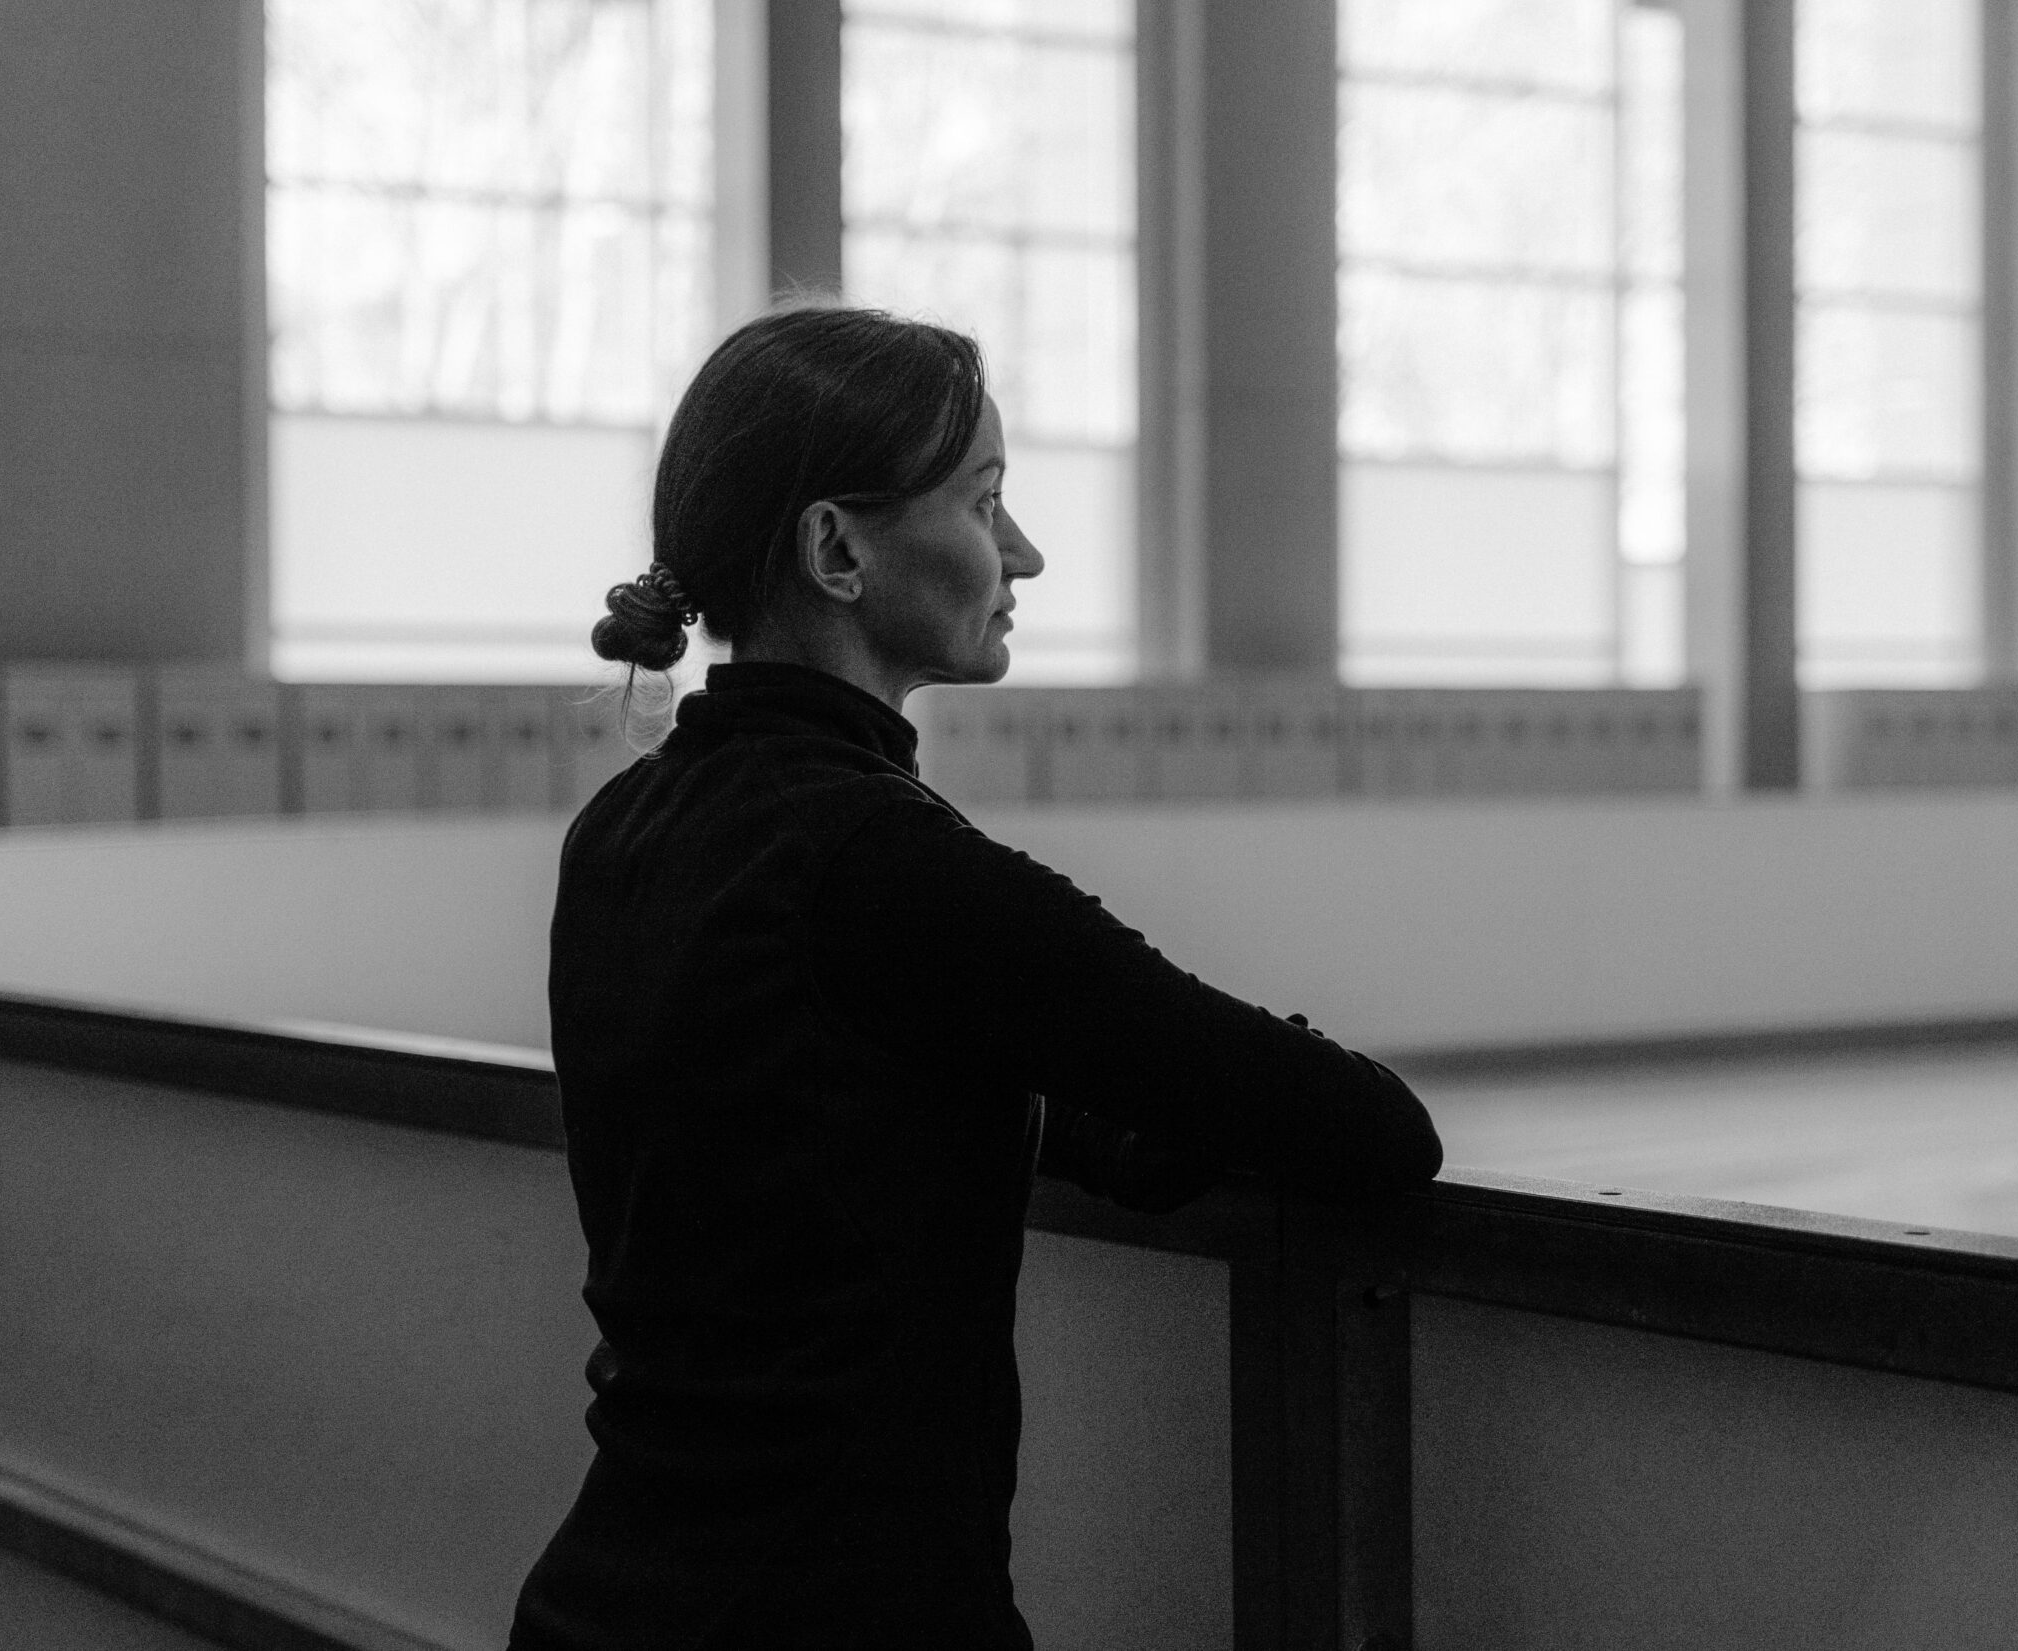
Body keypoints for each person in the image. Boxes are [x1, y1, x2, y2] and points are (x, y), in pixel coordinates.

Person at [509, 306, 1442, 1651]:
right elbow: (1367, 1130)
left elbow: (803, 1095)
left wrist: (1054, 1111)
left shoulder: (625, 831)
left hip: (603, 1605)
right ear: (837, 549)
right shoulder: (892, 866)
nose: (1025, 554)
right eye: (986, 501)